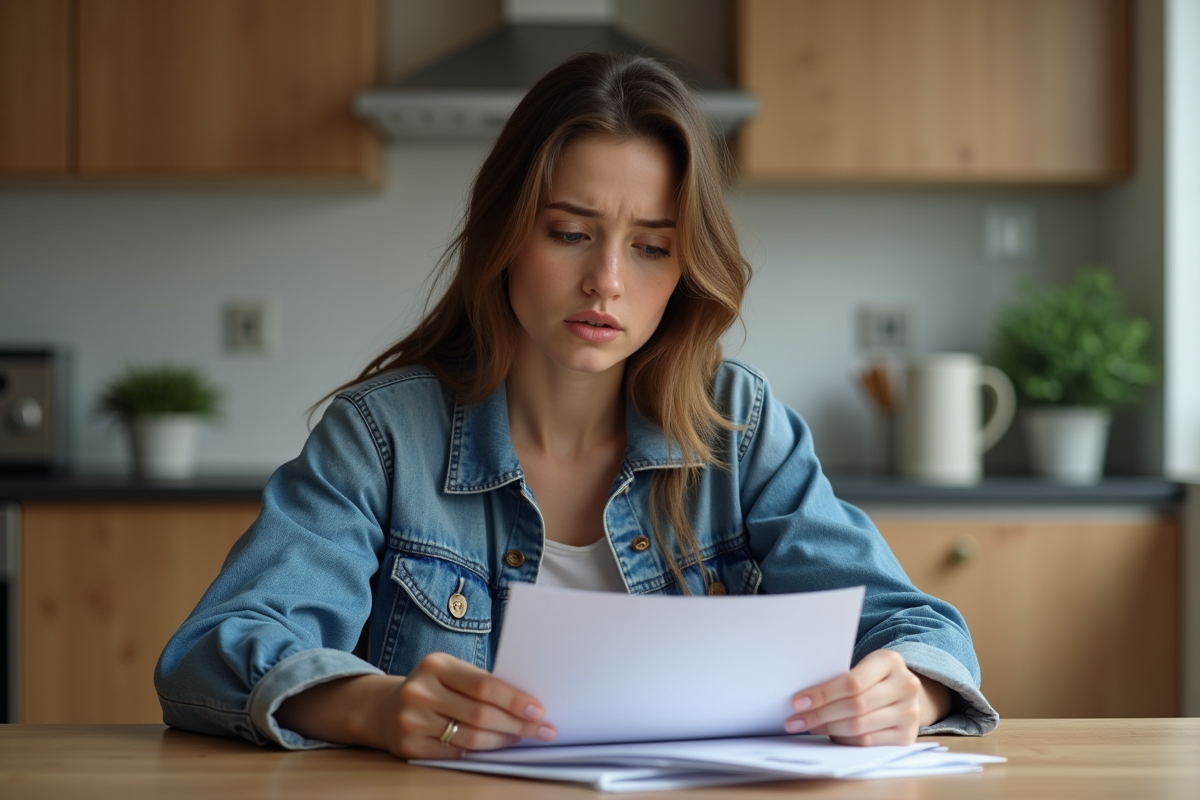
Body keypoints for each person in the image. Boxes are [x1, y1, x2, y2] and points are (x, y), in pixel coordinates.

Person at [155, 52, 997, 759]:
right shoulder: (381, 438)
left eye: (652, 246)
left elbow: (915, 625)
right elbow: (211, 652)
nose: (607, 281)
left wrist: (910, 690)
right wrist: (369, 707)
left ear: (686, 268)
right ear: (506, 234)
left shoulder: (740, 428)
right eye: (569, 233)